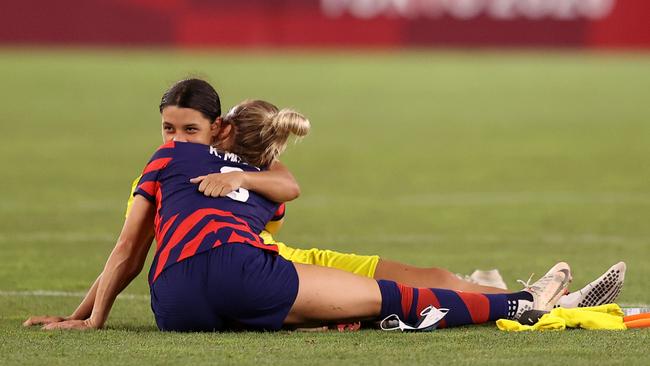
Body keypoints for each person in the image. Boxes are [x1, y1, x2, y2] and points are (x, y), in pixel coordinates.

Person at [25, 92, 574, 331]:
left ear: (220, 129)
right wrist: (250, 175)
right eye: (173, 129)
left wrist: (86, 317)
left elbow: (129, 251)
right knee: (408, 291)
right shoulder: (272, 181)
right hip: (264, 266)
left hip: (212, 281)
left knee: (397, 293)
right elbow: (286, 186)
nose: (177, 137)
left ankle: (495, 287)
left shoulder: (173, 163)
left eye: (186, 128)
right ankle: (520, 298)